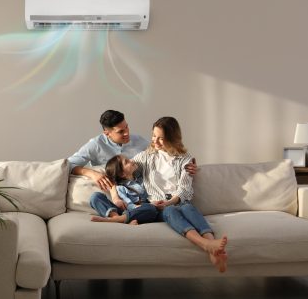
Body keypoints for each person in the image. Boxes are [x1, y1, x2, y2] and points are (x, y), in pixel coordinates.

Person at [92, 117, 228, 273]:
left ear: (172, 138)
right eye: (153, 136)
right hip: (157, 206)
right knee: (170, 211)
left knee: (187, 207)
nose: (155, 141)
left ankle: (213, 245)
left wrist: (170, 202)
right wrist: (113, 194)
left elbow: (184, 189)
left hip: (176, 201)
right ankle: (205, 245)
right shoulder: (146, 156)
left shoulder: (186, 160)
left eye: (161, 138)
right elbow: (117, 171)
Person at [68, 110, 196, 213]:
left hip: (141, 198)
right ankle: (116, 216)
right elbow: (68, 164)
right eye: (120, 131)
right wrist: (92, 174)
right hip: (115, 194)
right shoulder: (95, 145)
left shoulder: (140, 141)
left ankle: (127, 217)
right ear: (107, 133)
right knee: (96, 197)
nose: (127, 133)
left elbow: (166, 152)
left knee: (147, 209)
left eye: (127, 127)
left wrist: (188, 164)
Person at [90, 154, 159, 225]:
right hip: (128, 210)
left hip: (141, 212)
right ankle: (117, 218)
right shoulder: (121, 188)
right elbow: (128, 206)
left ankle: (122, 219)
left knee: (151, 209)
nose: (132, 160)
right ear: (122, 174)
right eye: (127, 162)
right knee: (95, 197)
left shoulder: (141, 178)